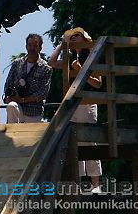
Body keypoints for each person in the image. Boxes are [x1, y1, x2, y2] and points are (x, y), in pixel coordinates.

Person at [49, 27, 103, 194]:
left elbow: (98, 83)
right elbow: (51, 62)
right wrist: (61, 44)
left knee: (90, 143)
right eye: (71, 37)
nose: (73, 39)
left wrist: (80, 70)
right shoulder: (69, 56)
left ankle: (95, 184)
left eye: (76, 36)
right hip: (73, 104)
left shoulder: (92, 56)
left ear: (84, 38)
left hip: (88, 103)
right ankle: (78, 184)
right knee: (75, 144)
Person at [3, 33, 53, 123]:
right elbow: (8, 84)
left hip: (34, 112)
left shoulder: (46, 68)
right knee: (11, 106)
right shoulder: (17, 64)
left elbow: (42, 93)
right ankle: (11, 134)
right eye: (29, 45)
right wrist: (9, 96)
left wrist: (22, 100)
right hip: (18, 107)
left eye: (35, 46)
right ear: (26, 46)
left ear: (40, 48)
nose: (32, 48)